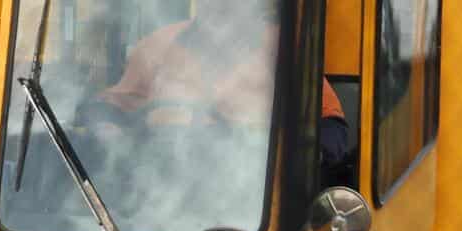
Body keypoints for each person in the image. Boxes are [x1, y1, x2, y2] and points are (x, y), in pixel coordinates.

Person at [88, 0, 350, 175]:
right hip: (159, 184)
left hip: (253, 191)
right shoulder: (157, 45)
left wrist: (303, 156)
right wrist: (107, 128)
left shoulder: (285, 48)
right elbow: (112, 105)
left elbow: (331, 127)